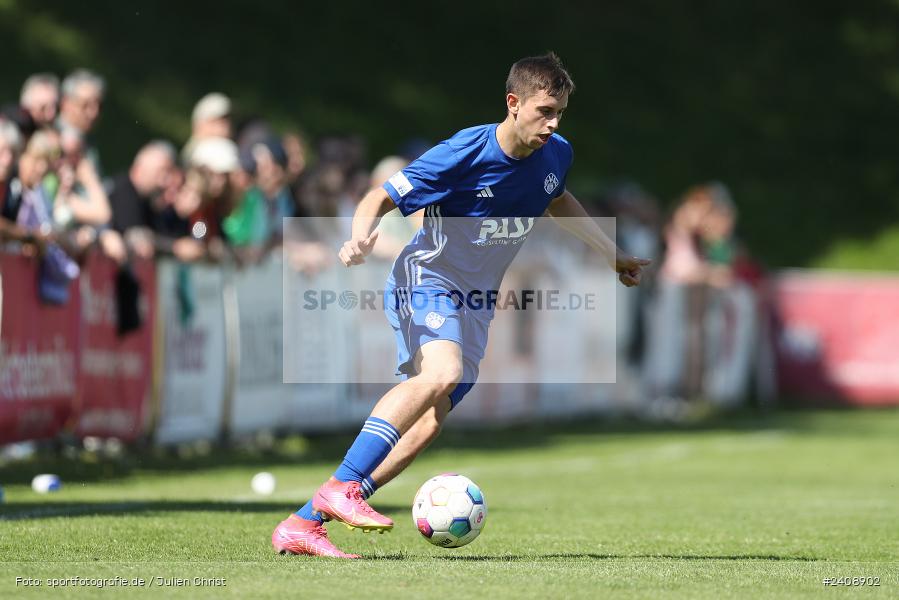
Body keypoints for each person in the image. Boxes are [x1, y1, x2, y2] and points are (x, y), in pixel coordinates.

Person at [271, 53, 651, 558]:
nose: (553, 123)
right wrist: (360, 238)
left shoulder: (555, 153)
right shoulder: (463, 153)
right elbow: (378, 197)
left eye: (560, 112)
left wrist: (612, 254)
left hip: (476, 302)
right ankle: (341, 487)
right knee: (440, 374)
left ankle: (305, 522)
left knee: (431, 418)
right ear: (513, 103)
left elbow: (558, 199)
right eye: (544, 111)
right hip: (427, 277)